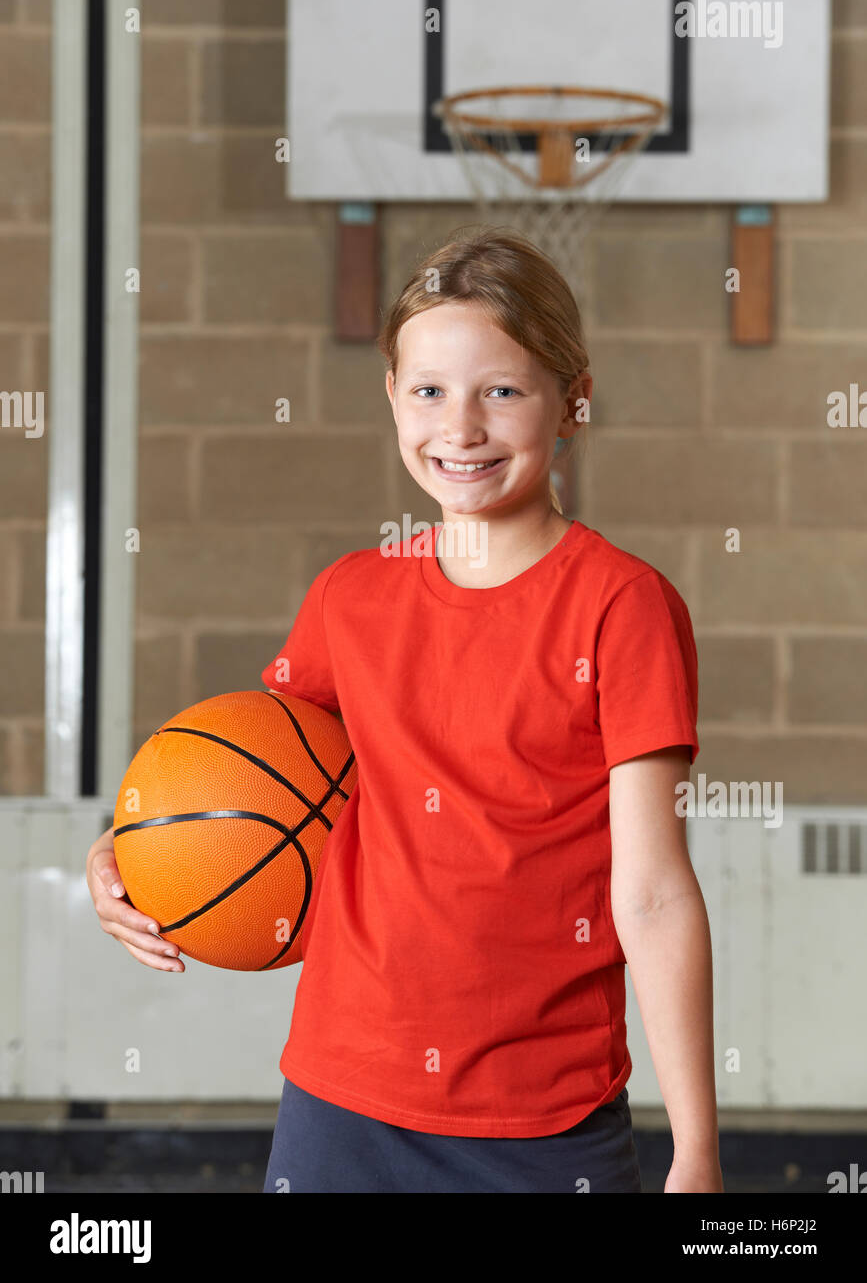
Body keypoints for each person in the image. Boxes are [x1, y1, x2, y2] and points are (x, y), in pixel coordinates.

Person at [86, 227, 723, 1193]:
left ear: (572, 400)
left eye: (501, 391)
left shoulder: (620, 605)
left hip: (542, 1116)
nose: (459, 428)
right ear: (391, 397)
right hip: (340, 1101)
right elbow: (245, 785)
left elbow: (652, 893)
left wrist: (697, 1152)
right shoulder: (350, 597)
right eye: (428, 391)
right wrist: (130, 851)